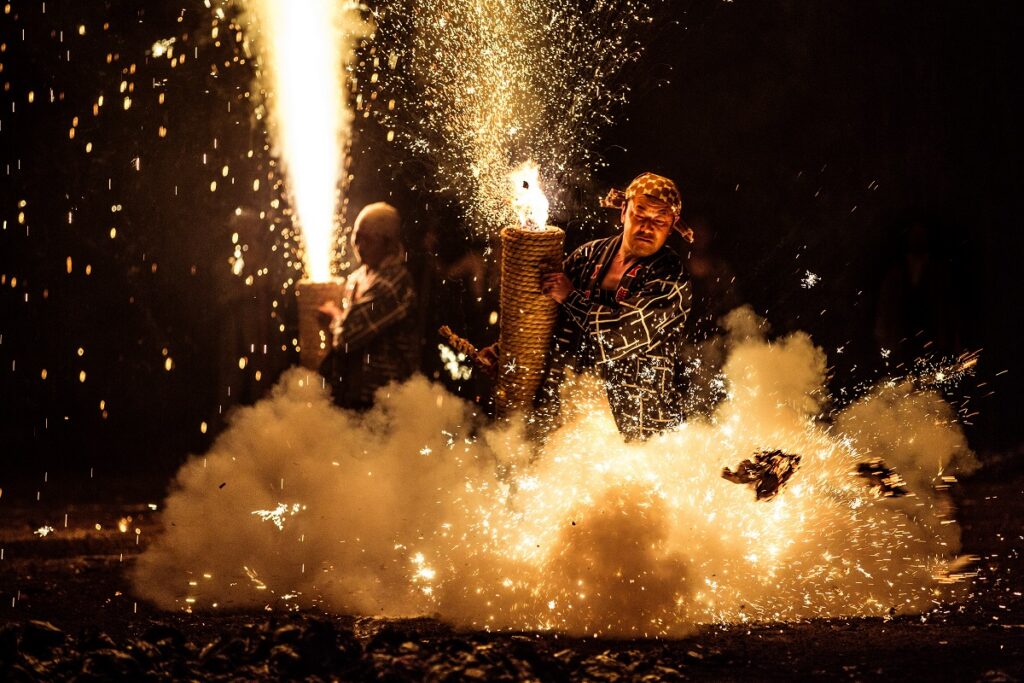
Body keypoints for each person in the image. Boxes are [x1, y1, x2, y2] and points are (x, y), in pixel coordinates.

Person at [535, 172, 693, 440]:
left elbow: (619, 335)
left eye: (659, 220)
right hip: (565, 401)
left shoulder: (671, 278)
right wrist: (507, 353)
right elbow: (544, 315)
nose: (647, 227)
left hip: (637, 418)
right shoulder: (587, 256)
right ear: (623, 212)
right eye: (640, 215)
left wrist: (569, 297)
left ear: (672, 224)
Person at [318, 203, 419, 410]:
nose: (359, 246)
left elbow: (347, 336)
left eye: (367, 239)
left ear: (388, 243)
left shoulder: (393, 285)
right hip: (351, 395)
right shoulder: (358, 277)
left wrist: (334, 317)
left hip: (382, 401)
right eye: (356, 237)